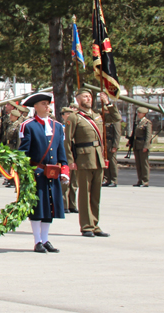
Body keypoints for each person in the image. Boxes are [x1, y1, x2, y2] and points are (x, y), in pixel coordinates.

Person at [18, 92, 70, 253]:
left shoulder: (58, 127)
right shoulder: (29, 125)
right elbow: (23, 152)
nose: (47, 107)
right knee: (38, 207)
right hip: (37, 172)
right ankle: (37, 240)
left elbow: (62, 151)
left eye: (48, 104)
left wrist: (64, 170)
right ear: (35, 107)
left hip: (53, 173)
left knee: (50, 207)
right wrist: (25, 173)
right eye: (43, 104)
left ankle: (46, 239)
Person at [64, 90, 109, 237]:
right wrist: (70, 161)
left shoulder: (97, 115)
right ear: (78, 99)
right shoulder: (74, 117)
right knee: (85, 194)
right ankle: (86, 226)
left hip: (98, 158)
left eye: (90, 96)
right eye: (85, 96)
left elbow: (115, 118)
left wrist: (108, 103)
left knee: (96, 194)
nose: (88, 98)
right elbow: (68, 140)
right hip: (83, 159)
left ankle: (95, 224)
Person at [101, 93, 122, 187]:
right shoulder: (103, 119)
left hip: (110, 144)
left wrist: (115, 146)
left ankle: (114, 180)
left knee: (112, 163)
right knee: (105, 162)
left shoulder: (114, 121)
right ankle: (107, 179)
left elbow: (117, 134)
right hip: (104, 144)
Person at [130, 107, 152, 187]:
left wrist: (146, 146)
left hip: (143, 145)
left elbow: (148, 136)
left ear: (144, 114)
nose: (138, 114)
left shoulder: (147, 123)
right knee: (138, 164)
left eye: (139, 113)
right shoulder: (138, 122)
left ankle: (145, 181)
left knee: (144, 164)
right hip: (137, 145)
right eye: (138, 113)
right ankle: (140, 180)